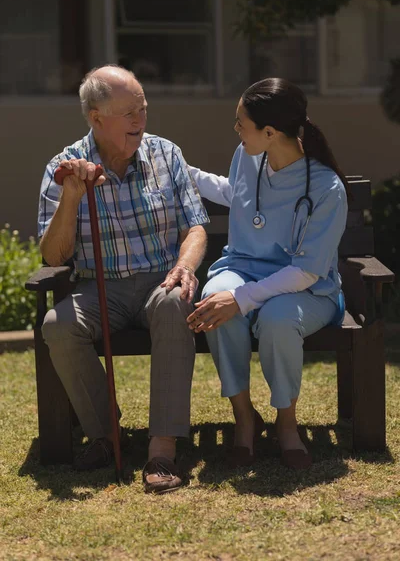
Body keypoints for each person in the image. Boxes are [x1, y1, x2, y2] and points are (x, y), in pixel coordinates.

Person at [39, 65, 208, 493]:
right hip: (100, 289)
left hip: (160, 281)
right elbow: (53, 255)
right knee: (57, 326)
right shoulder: (64, 167)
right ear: (96, 118)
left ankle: (162, 452)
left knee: (173, 303)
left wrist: (185, 266)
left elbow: (196, 228)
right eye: (129, 113)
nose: (140, 120)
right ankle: (105, 434)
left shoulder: (166, 154)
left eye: (143, 109)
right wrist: (72, 200)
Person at [187, 77, 349, 470]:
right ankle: (245, 419)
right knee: (215, 302)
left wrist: (243, 299)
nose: (236, 129)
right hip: (241, 269)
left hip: (306, 289)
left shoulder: (327, 189)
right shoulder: (247, 156)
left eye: (241, 122)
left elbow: (307, 273)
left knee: (276, 319)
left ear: (271, 132)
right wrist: (182, 170)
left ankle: (287, 425)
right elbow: (235, 193)